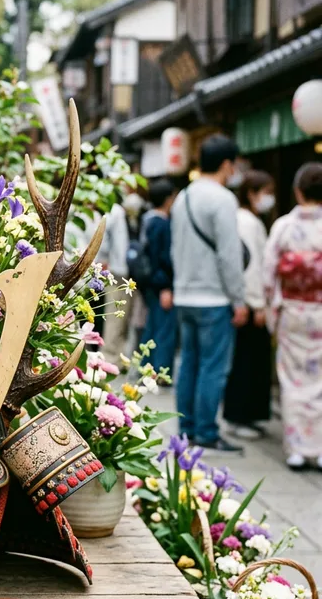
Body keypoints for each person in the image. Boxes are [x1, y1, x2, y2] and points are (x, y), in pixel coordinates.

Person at [171, 134, 247, 452]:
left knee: (188, 362)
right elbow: (229, 255)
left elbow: (175, 249)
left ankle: (186, 428)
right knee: (212, 367)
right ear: (227, 164)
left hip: (184, 294)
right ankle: (206, 431)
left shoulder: (182, 197)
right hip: (214, 297)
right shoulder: (223, 199)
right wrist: (239, 299)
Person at [263, 162, 322, 470]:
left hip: (293, 311)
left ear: (298, 191)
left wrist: (272, 311)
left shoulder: (284, 227)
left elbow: (268, 273)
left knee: (292, 379)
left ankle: (297, 448)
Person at [223, 170, 275, 439]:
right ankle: (240, 417)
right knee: (247, 362)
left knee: (246, 360)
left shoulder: (245, 219)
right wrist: (257, 304)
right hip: (250, 302)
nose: (270, 198)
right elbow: (252, 267)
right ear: (252, 193)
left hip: (246, 300)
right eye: (266, 192)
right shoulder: (248, 222)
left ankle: (244, 416)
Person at [140, 178, 178, 375]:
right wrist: (166, 286)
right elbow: (162, 257)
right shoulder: (161, 224)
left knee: (153, 326)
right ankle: (159, 371)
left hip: (150, 283)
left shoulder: (147, 220)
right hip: (161, 284)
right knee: (163, 329)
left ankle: (146, 367)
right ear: (167, 199)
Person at [98, 201, 131, 362]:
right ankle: (109, 359)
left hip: (106, 269)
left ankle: (112, 358)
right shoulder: (114, 210)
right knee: (114, 318)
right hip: (115, 271)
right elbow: (119, 245)